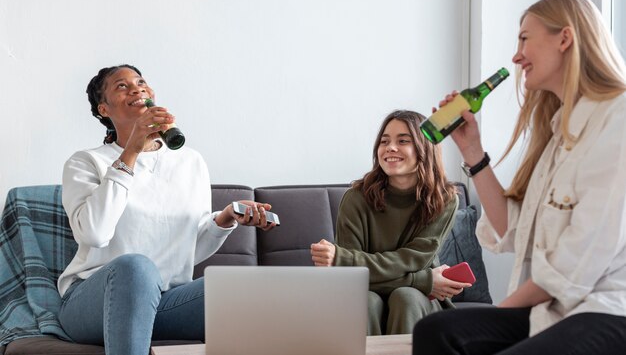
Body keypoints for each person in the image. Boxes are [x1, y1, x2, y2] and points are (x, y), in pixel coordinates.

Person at [413, 0, 626, 354]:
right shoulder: (560, 129)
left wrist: (499, 314)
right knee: (436, 331)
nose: (516, 56)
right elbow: (512, 229)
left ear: (565, 38)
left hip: (605, 310)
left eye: (525, 38)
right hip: (556, 308)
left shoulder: (616, 120)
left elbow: (573, 268)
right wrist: (472, 151)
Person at [57, 64, 276, 355]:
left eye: (141, 82)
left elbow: (186, 253)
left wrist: (223, 220)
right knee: (136, 268)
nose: (136, 88)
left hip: (165, 300)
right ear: (104, 110)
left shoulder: (190, 162)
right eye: (121, 86)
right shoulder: (86, 162)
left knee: (242, 288)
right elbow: (95, 234)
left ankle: (136, 320)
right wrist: (132, 150)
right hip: (92, 302)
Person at [310, 110, 472, 335]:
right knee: (364, 302)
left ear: (424, 147)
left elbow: (414, 258)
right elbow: (350, 278)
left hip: (419, 300)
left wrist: (342, 258)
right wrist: (424, 281)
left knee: (406, 297)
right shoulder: (355, 198)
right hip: (374, 292)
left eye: (403, 141)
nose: (390, 147)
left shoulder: (445, 200)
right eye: (384, 141)